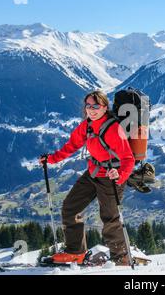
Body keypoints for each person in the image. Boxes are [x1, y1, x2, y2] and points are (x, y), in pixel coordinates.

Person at [39, 90, 135, 265]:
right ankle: (75, 252)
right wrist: (51, 159)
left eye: (96, 106)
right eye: (88, 106)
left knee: (110, 217)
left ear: (105, 107)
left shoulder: (114, 129)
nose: (91, 109)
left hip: (111, 177)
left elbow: (129, 158)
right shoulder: (87, 125)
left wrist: (119, 175)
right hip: (93, 173)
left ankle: (121, 258)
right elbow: (72, 145)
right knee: (70, 207)